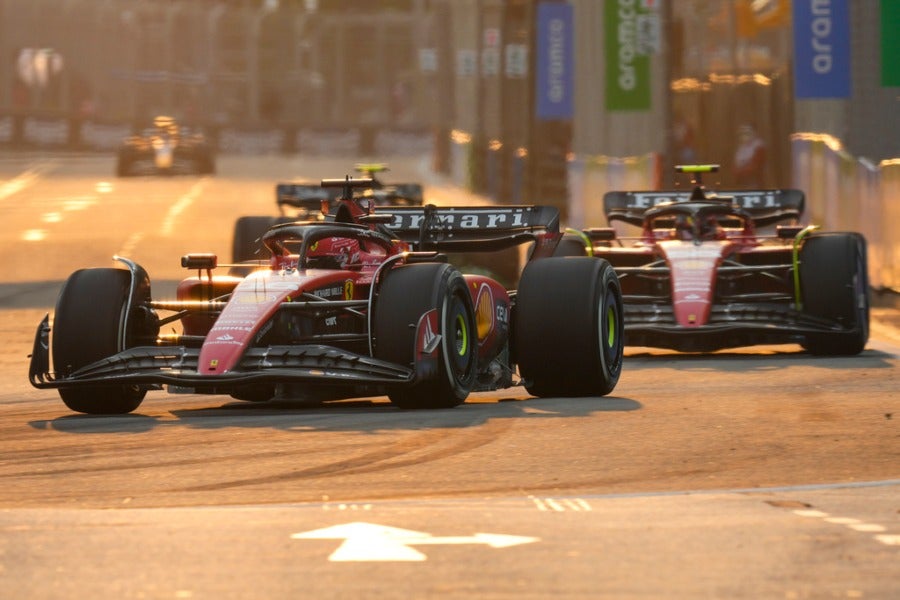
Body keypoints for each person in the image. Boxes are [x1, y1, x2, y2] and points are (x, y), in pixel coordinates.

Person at [733, 123, 766, 188]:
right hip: (741, 181)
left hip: (754, 181)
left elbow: (755, 166)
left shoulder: (759, 146)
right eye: (742, 133)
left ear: (754, 133)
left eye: (747, 133)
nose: (744, 135)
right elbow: (735, 166)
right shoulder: (741, 147)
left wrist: (741, 171)